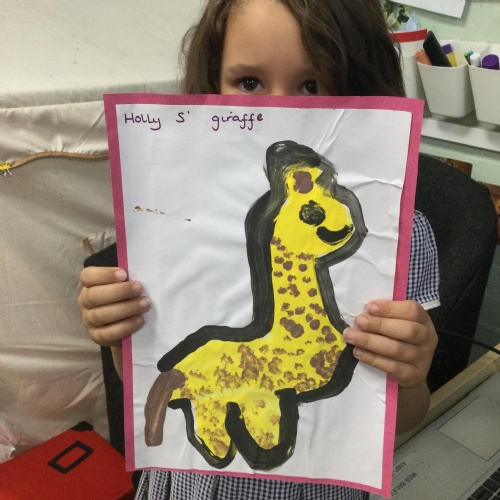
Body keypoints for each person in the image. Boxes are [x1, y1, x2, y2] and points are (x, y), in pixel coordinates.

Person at [78, 0, 439, 498]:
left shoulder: (399, 237)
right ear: (211, 81)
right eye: (249, 81)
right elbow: (146, 371)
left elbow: (403, 416)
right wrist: (121, 334)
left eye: (312, 84)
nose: (279, 110)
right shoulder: (169, 218)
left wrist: (412, 374)